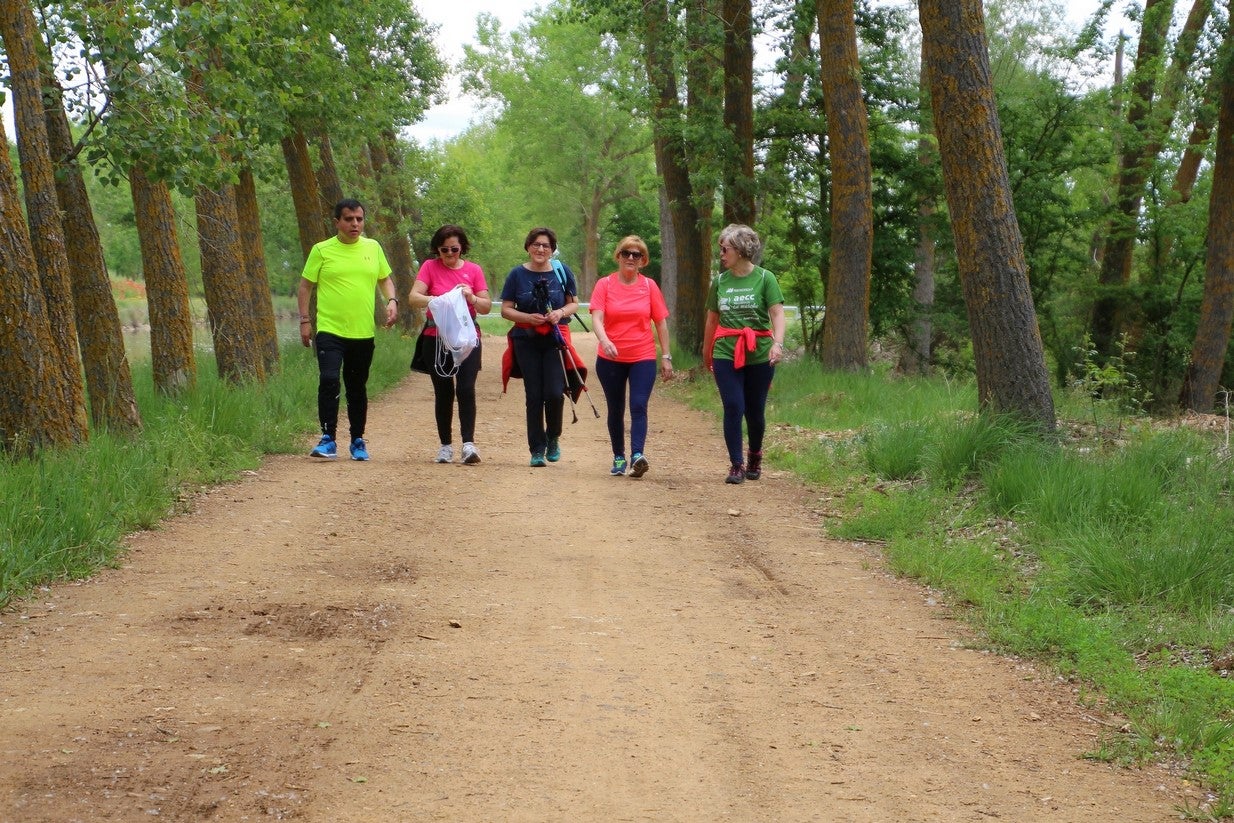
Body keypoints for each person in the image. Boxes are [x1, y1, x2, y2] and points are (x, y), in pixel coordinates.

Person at [298, 198, 398, 461]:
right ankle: (328, 439)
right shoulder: (321, 250)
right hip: (330, 330)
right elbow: (305, 286)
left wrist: (392, 301)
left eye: (359, 219)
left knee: (357, 387)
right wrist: (305, 320)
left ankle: (357, 440)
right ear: (337, 222)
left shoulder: (373, 248)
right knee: (329, 379)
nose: (355, 224)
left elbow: (385, 278)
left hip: (362, 332)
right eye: (349, 219)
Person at [703, 223, 787, 485]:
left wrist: (778, 344)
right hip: (726, 351)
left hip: (759, 352)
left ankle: (754, 454)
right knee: (733, 406)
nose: (722, 254)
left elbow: (777, 313)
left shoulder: (765, 278)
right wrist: (707, 352)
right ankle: (736, 464)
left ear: (739, 250)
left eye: (725, 249)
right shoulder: (720, 282)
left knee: (754, 411)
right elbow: (711, 320)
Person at [408, 225, 492, 465]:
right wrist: (439, 301)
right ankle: (445, 446)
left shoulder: (474, 270)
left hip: (467, 338)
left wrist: (472, 297)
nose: (449, 254)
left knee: (465, 389)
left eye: (454, 249)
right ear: (437, 249)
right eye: (443, 250)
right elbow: (414, 297)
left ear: (462, 248)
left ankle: (468, 444)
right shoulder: (429, 267)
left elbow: (486, 307)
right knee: (443, 392)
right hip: (436, 338)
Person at [590, 236, 672, 478]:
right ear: (618, 256)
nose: (630, 258)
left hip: (642, 355)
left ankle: (637, 455)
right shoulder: (604, 284)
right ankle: (618, 457)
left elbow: (661, 322)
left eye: (636, 255)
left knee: (638, 405)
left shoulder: (649, 286)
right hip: (610, 358)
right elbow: (596, 317)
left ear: (643, 261)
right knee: (615, 409)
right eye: (626, 253)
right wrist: (605, 340)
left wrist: (666, 356)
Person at [500, 227, 580, 467]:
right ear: (528, 247)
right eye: (536, 244)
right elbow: (506, 309)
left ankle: (553, 436)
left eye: (545, 245)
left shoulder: (561, 271)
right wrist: (527, 318)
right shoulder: (516, 275)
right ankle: (536, 449)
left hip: (555, 339)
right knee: (534, 395)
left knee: (555, 393)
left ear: (552, 249)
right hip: (526, 339)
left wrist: (559, 313)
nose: (540, 249)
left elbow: (573, 304)